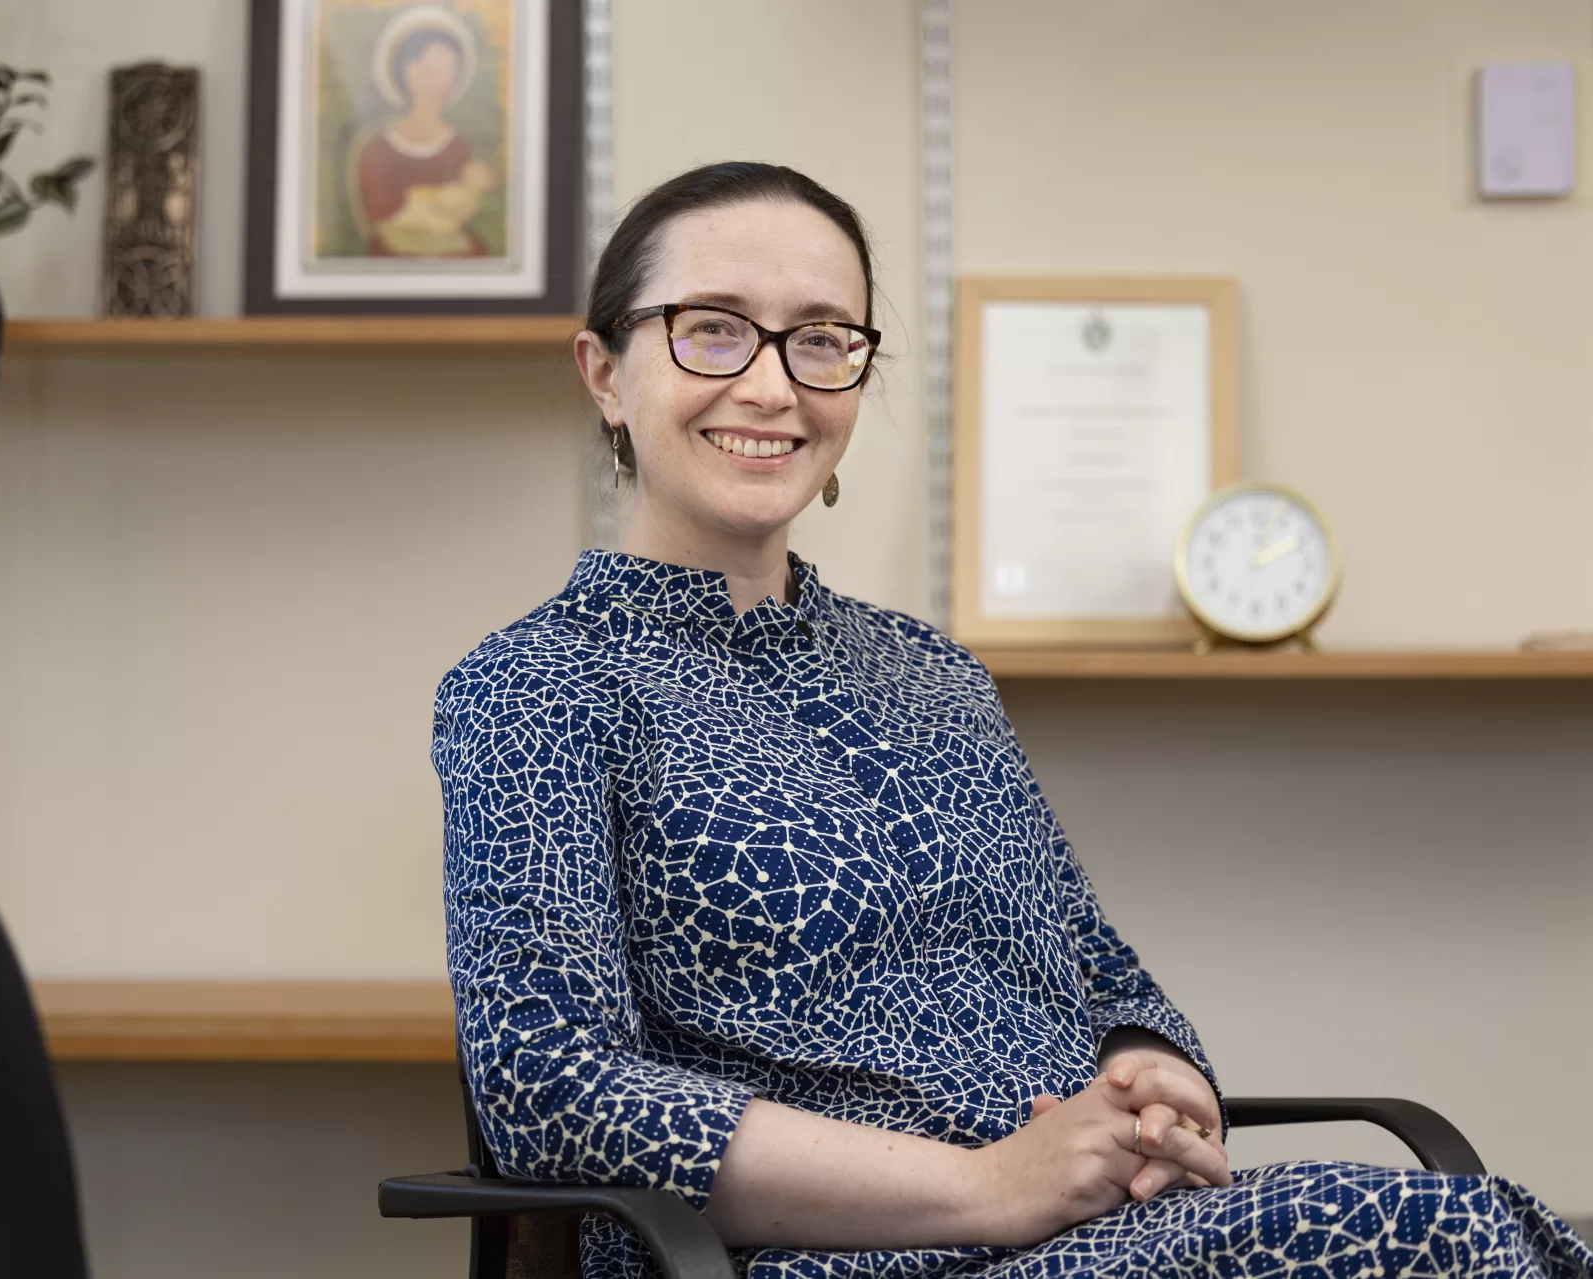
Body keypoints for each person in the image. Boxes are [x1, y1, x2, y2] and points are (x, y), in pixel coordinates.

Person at [431, 161, 1592, 1279]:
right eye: (714, 328)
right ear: (603, 372)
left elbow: (1101, 973)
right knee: (1420, 1230)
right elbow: (552, 1091)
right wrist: (986, 1184)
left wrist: (1150, 1076)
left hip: (1102, 1231)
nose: (774, 386)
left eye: (822, 338)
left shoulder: (931, 672)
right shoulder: (539, 686)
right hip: (835, 1259)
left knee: (1464, 1221)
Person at [347, 7, 496, 257]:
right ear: (406, 72)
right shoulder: (375, 148)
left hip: (454, 255)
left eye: (449, 69)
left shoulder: (458, 146)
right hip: (395, 256)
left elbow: (464, 206)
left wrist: (471, 188)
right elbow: (380, 218)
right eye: (431, 68)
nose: (441, 80)